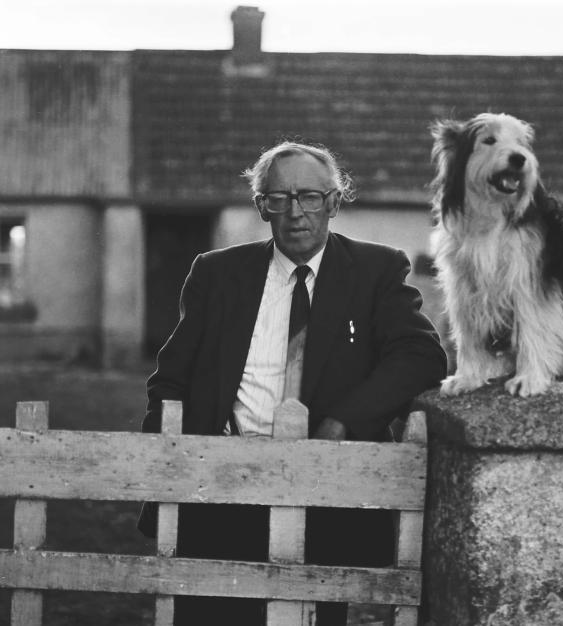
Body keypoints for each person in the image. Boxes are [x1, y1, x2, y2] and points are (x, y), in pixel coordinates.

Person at [137, 141, 447, 625]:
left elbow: (421, 356)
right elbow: (170, 379)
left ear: (334, 201)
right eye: (278, 198)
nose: (295, 213)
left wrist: (343, 421)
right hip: (223, 487)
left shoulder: (374, 270)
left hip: (324, 494)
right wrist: (171, 473)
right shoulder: (217, 274)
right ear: (263, 207)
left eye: (309, 197)